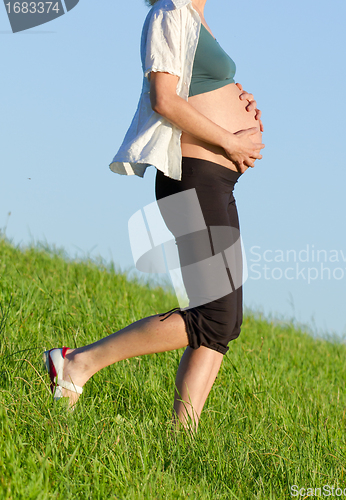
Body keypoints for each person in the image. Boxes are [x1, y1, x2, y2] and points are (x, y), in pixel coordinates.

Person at [43, 0, 265, 433]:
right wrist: (231, 141)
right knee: (214, 315)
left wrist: (238, 98)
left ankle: (182, 437)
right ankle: (77, 364)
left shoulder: (198, 17)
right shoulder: (170, 10)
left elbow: (196, 89)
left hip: (217, 182)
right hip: (191, 178)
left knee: (223, 322)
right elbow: (164, 99)